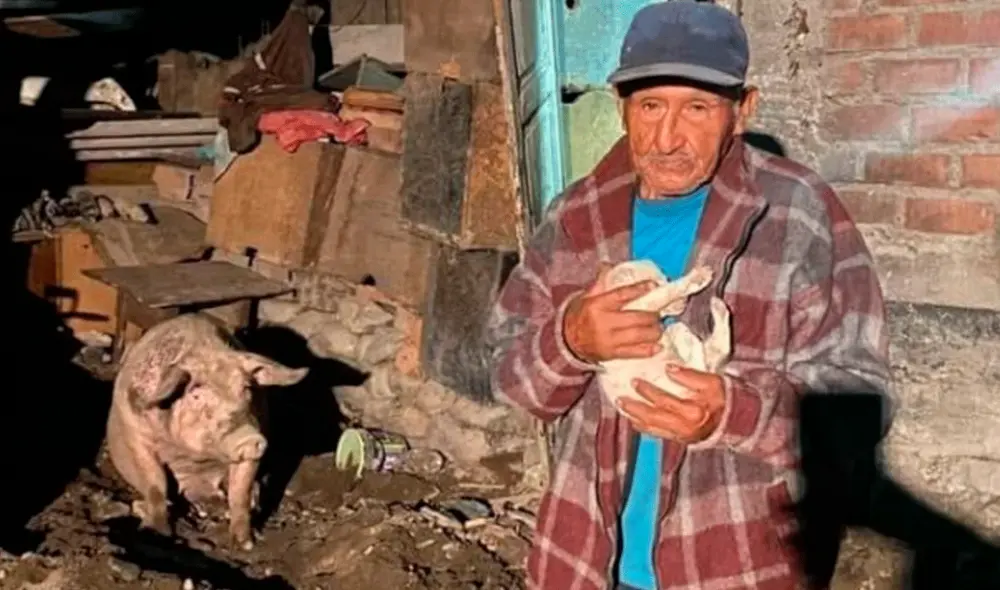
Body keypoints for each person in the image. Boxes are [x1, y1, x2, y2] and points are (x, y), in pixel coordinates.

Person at [486, 1, 892, 589]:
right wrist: (570, 340)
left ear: (742, 110)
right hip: (582, 564)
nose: (667, 138)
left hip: (736, 567)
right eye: (650, 106)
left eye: (697, 108)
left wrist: (733, 413)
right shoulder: (576, 216)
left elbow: (861, 402)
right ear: (621, 106)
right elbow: (509, 378)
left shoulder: (799, 213)